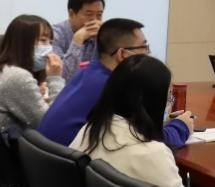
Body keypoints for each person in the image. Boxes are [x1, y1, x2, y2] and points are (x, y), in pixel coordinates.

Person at [70, 55, 202, 187]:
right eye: (168, 98)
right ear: (153, 102)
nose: (168, 104)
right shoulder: (152, 152)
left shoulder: (91, 129)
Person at [38, 18, 191, 148]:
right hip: (71, 167)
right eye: (144, 47)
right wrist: (180, 127)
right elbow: (147, 140)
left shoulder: (89, 71)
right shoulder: (115, 86)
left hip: (49, 161)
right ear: (122, 54)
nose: (148, 53)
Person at [0, 14, 63, 136]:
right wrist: (55, 78)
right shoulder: (17, 76)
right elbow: (52, 126)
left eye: (50, 42)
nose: (49, 49)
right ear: (23, 43)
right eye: (43, 40)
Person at [50, 0, 106, 81]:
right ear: (71, 14)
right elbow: (62, 77)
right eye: (89, 14)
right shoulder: (53, 35)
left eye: (99, 15)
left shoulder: (103, 34)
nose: (95, 20)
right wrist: (77, 40)